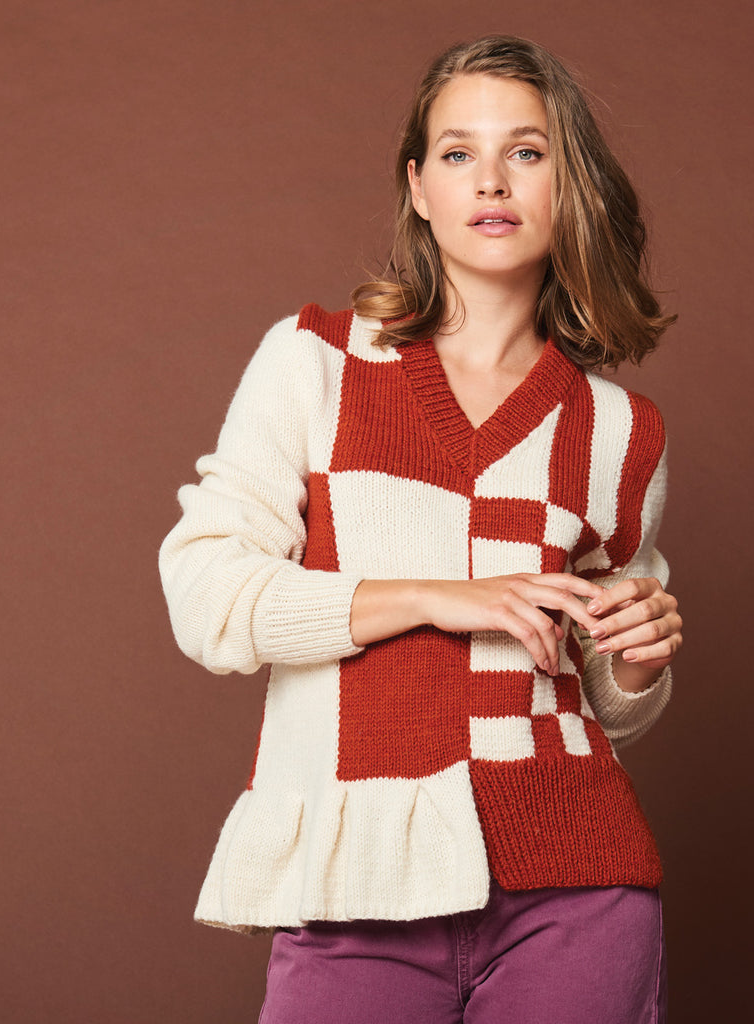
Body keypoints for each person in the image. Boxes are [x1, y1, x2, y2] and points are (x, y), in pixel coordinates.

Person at [160, 34, 682, 1024]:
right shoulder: (316, 363)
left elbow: (605, 696)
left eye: (526, 151)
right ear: (418, 187)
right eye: (457, 152)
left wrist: (636, 661)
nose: (491, 180)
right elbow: (208, 597)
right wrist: (437, 598)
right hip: (357, 884)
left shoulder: (621, 430)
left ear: (569, 183)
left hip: (577, 878)